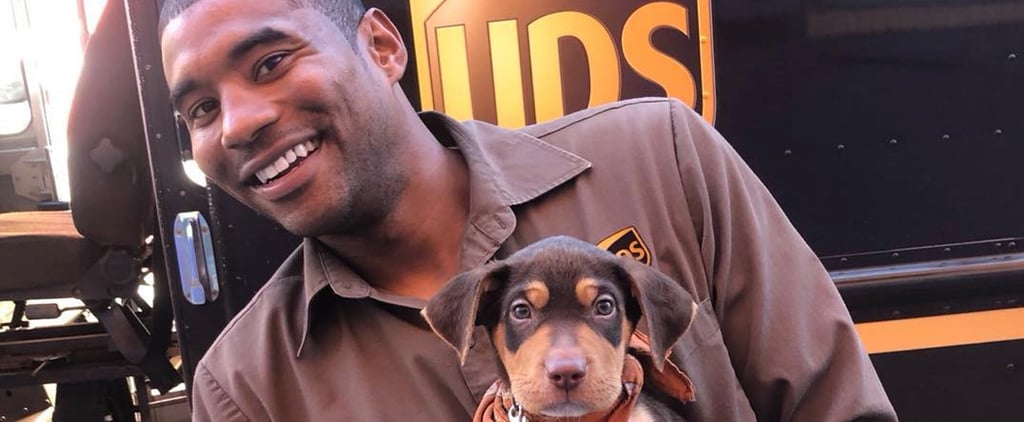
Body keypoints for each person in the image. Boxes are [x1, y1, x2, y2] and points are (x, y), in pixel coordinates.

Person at [158, 0, 898, 420]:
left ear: (381, 46)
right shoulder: (246, 390)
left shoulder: (660, 158)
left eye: (270, 62)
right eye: (198, 109)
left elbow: (836, 409)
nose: (237, 124)